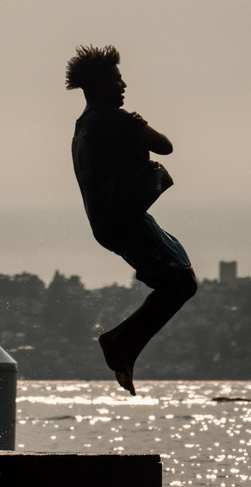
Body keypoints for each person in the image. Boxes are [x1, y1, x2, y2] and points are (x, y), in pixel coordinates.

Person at [66, 44, 197, 395]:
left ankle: (126, 352)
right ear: (98, 84)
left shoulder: (84, 125)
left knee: (182, 281)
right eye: (116, 80)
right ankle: (116, 341)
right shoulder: (111, 119)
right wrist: (137, 122)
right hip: (123, 221)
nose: (123, 86)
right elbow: (165, 145)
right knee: (180, 284)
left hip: (112, 223)